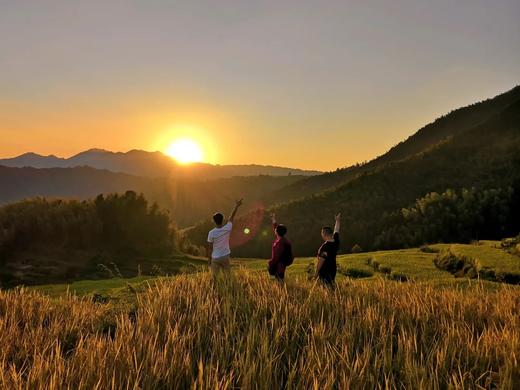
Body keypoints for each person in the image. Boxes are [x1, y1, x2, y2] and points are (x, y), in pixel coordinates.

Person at [206, 198, 243, 273]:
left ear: (214, 221)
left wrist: (209, 260)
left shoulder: (211, 233)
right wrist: (236, 206)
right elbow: (232, 217)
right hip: (225, 257)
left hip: (215, 258)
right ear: (222, 220)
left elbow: (210, 248)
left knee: (215, 279)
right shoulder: (227, 228)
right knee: (228, 278)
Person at [315, 213, 341, 286]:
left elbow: (321, 260)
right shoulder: (335, 241)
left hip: (325, 271)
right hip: (333, 268)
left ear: (323, 233)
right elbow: (336, 230)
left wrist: (316, 272)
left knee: (326, 288)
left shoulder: (325, 247)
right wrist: (337, 221)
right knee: (331, 285)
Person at [267, 213, 294, 281]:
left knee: (278, 281)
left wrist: (270, 263)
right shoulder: (282, 238)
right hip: (278, 265)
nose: (275, 230)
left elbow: (277, 256)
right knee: (277, 280)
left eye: (276, 230)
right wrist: (273, 219)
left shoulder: (281, 243)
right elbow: (276, 227)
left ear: (277, 232)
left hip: (279, 266)